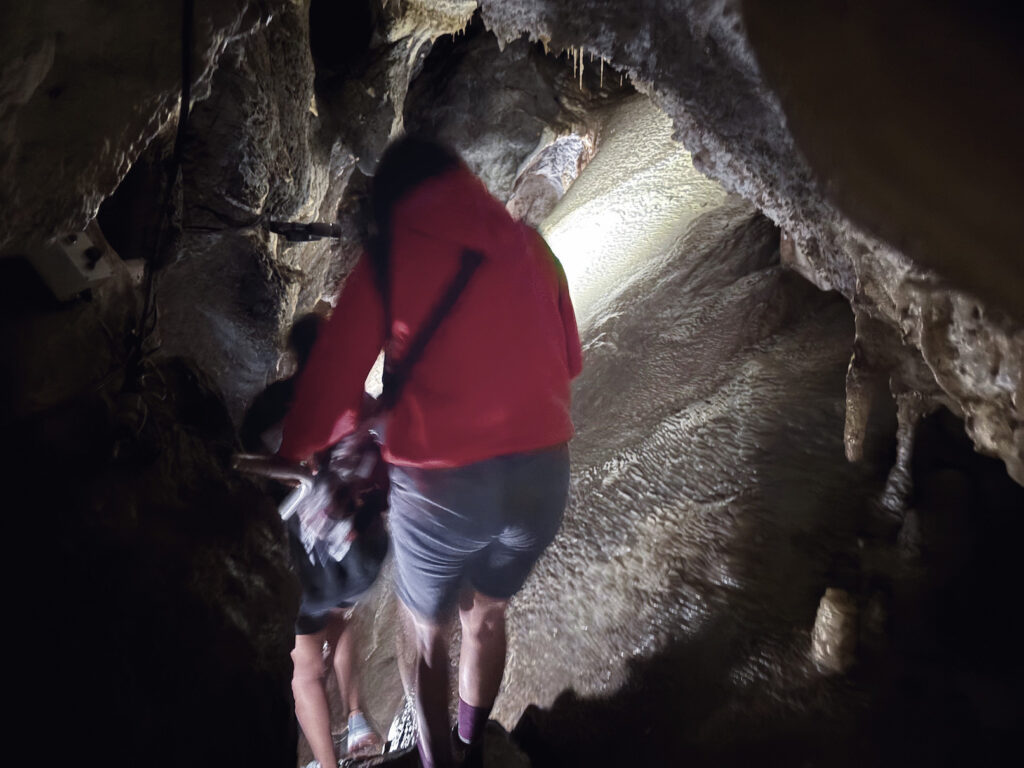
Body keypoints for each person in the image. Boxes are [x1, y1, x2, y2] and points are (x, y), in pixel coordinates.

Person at [278, 134, 583, 768]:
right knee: (488, 617)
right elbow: (570, 362)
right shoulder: (532, 246)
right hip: (544, 478)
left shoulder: (388, 260)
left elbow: (318, 412)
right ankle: (473, 745)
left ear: (390, 204)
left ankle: (438, 762)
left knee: (424, 634)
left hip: (445, 490)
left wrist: (313, 447)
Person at [241, 315, 386, 768]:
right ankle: (358, 721)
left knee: (305, 669)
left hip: (304, 565)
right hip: (360, 557)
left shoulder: (270, 407)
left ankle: (327, 764)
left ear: (295, 355)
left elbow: (255, 483)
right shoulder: (362, 404)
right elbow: (385, 482)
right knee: (342, 621)